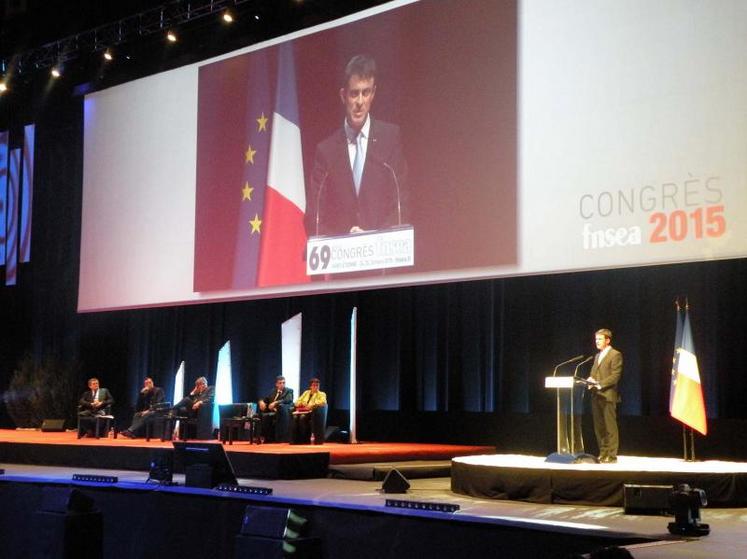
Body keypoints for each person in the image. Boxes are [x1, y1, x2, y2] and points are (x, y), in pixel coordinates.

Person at [305, 54, 408, 238]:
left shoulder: (390, 138)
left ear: (373, 93)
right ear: (343, 95)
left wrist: (371, 239)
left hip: (382, 260)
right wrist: (345, 242)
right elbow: (314, 217)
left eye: (365, 92)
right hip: (341, 260)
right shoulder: (326, 151)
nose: (360, 102)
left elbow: (402, 204)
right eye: (354, 94)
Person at [586, 328, 623, 463]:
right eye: (596, 339)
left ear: (608, 340)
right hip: (596, 395)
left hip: (608, 395)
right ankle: (603, 453)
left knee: (610, 427)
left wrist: (600, 384)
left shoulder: (615, 354)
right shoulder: (597, 356)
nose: (597, 342)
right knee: (599, 427)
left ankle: (612, 456)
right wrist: (590, 380)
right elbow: (594, 373)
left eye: (600, 339)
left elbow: (615, 376)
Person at [290, 378, 327, 445]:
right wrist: (300, 404)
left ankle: (304, 439)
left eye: (317, 385)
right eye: (314, 385)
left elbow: (323, 402)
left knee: (302, 417)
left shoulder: (322, 394)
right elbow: (297, 401)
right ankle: (295, 440)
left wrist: (311, 405)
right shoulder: (306, 392)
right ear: (310, 386)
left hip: (313, 413)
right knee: (295, 417)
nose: (316, 387)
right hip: (302, 410)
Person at [258, 376, 294, 442]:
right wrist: (261, 402)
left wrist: (276, 402)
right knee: (258, 416)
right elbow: (265, 399)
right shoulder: (273, 391)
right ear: (276, 384)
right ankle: (257, 437)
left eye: (283, 383)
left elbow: (288, 400)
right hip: (271, 411)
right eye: (280, 383)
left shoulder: (289, 391)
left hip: (281, 412)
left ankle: (266, 438)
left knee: (266, 416)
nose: (282, 384)